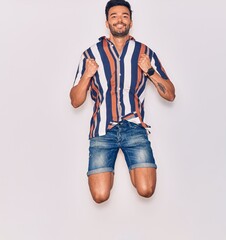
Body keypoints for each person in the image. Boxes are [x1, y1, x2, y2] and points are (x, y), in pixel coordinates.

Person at [70, 0, 175, 203]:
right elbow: (75, 101)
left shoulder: (145, 52)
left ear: (131, 22)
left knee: (146, 190)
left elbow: (170, 95)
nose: (120, 20)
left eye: (125, 16)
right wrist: (87, 75)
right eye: (114, 16)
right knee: (100, 195)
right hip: (102, 130)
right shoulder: (91, 54)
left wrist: (150, 71)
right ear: (107, 22)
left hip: (134, 128)